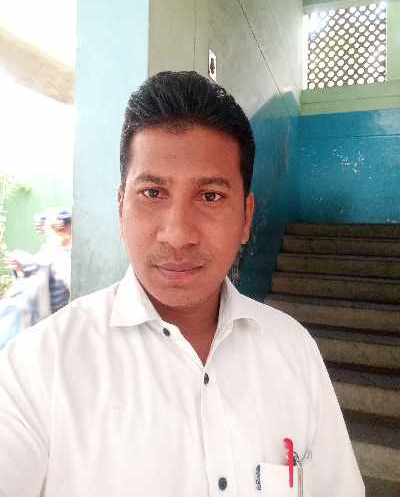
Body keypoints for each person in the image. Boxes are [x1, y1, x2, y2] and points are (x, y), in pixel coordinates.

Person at [0, 71, 364, 496]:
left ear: (246, 218)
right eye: (153, 193)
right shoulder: (38, 367)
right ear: (121, 207)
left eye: (210, 196)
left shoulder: (293, 349)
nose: (177, 235)